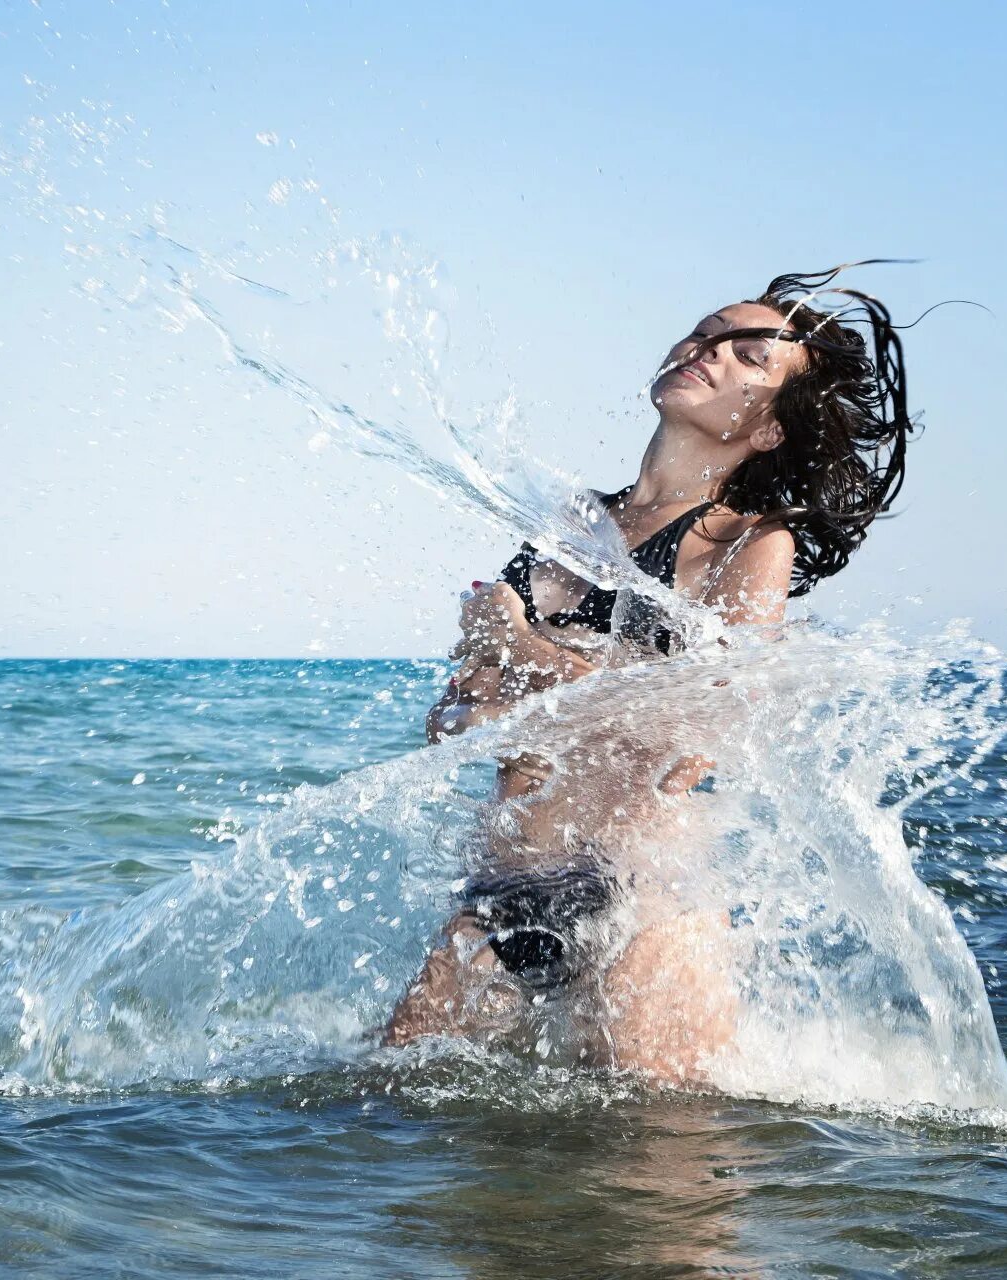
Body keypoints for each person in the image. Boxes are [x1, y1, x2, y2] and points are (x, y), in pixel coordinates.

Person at [382, 266, 921, 1083]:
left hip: (639, 904)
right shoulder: (570, 526)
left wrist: (518, 648)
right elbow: (455, 724)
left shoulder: (746, 544)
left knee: (647, 1185)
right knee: (384, 1120)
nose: (711, 351)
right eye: (708, 332)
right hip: (501, 890)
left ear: (769, 429)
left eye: (749, 356)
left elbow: (693, 732)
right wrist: (481, 683)